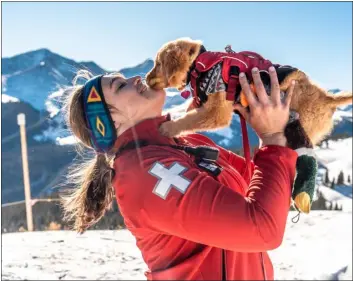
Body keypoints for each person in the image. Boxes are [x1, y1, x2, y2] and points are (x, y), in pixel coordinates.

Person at [62, 66, 297, 280]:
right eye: (120, 86)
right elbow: (263, 229)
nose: (135, 78)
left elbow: (263, 186)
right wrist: (273, 139)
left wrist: (267, 116)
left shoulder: (186, 142)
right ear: (110, 120)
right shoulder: (142, 175)